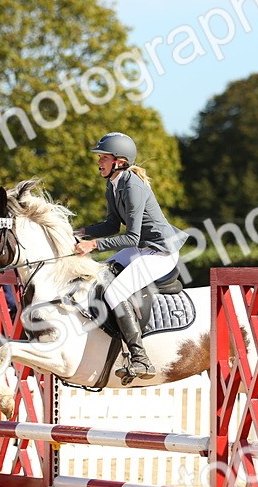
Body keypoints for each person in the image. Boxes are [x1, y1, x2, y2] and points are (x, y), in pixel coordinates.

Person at [73, 132, 187, 381]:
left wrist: (93, 244)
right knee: (99, 273)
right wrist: (78, 233)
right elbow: (112, 225)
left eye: (103, 157)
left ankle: (141, 358)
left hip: (160, 251)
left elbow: (131, 238)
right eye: (100, 158)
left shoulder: (132, 185)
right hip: (143, 246)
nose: (99, 162)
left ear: (119, 161)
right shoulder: (113, 184)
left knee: (115, 292)